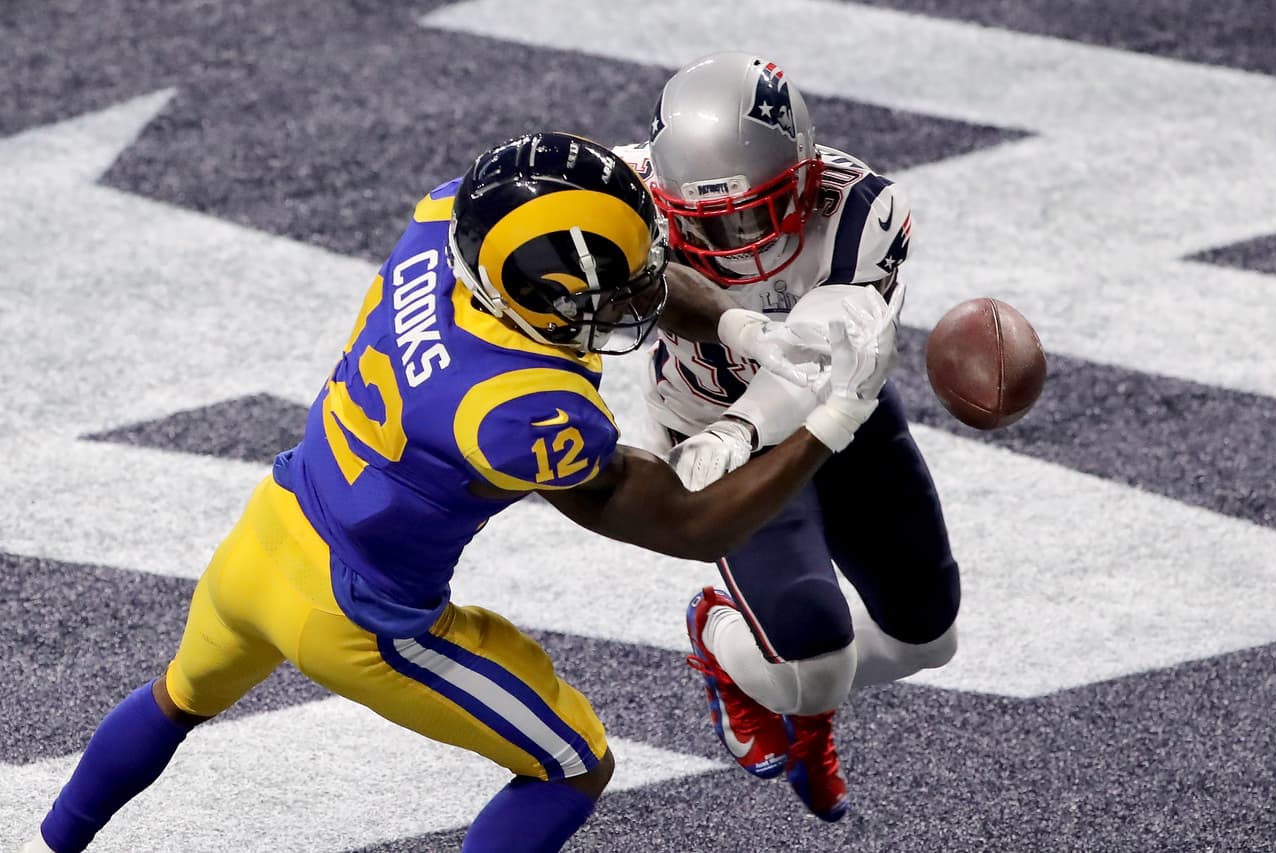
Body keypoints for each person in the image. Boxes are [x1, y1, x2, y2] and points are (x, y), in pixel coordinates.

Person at [19, 131, 900, 853]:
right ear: (542, 301)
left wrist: (737, 321)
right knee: (574, 764)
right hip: (358, 621)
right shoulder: (521, 410)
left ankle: (50, 842)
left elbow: (593, 259)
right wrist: (830, 422)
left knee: (176, 697)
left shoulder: (455, 215)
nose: (636, 297)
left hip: (267, 532)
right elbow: (684, 520)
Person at [613, 53, 961, 822]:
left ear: (805, 173)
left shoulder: (862, 211)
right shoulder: (624, 190)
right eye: (709, 223)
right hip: (704, 417)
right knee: (811, 667)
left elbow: (809, 362)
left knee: (928, 638)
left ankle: (780, 681)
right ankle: (724, 640)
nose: (737, 241)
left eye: (754, 212)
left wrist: (743, 430)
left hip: (833, 408)